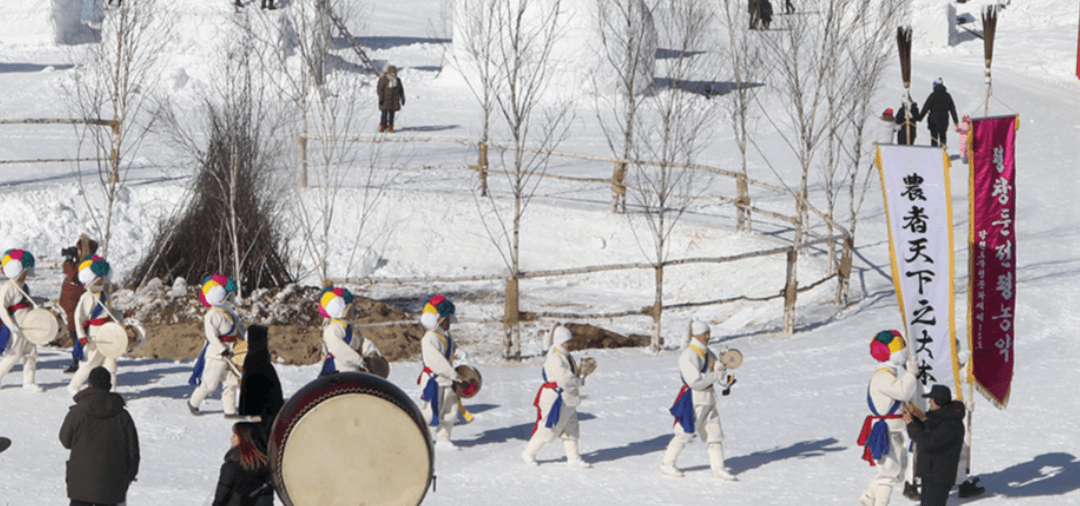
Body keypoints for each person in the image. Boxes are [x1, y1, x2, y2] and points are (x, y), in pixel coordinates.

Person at [660, 320, 737, 481]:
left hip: (709, 399)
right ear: (699, 335)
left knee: (715, 435)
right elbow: (694, 380)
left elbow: (715, 366)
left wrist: (721, 366)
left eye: (709, 333)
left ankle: (718, 468)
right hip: (695, 400)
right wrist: (716, 376)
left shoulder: (707, 352)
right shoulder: (689, 355)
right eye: (706, 333)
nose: (709, 336)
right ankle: (667, 463)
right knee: (685, 433)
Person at [59, 366, 140, 506]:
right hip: (113, 488)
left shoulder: (78, 412)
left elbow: (65, 441)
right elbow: (133, 451)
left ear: (89, 384)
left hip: (80, 486)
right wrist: (129, 476)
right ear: (109, 387)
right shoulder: (122, 415)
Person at [857, 330, 919, 506]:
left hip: (894, 429)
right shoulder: (882, 376)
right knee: (889, 473)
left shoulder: (888, 374)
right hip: (886, 430)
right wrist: (911, 375)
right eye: (899, 346)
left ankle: (868, 497)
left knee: (896, 470)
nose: (904, 351)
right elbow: (903, 391)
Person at [522, 325, 590, 468]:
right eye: (568, 341)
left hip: (569, 399)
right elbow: (564, 378)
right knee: (549, 430)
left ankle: (573, 458)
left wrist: (582, 371)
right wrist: (579, 381)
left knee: (571, 429)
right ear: (562, 342)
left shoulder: (567, 356)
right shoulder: (554, 358)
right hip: (556, 399)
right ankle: (528, 453)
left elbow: (572, 374)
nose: (570, 344)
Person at [188, 274, 246, 417]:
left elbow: (241, 329)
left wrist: (248, 340)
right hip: (217, 354)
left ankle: (230, 410)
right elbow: (211, 336)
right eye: (228, 296)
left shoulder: (231, 313)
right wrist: (222, 349)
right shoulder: (212, 315)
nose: (231, 299)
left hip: (232, 352)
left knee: (231, 382)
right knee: (210, 384)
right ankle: (193, 403)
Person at [68, 256, 123, 396]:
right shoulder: (87, 297)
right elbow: (78, 318)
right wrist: (81, 336)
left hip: (108, 332)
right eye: (99, 277)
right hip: (94, 334)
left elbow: (110, 313)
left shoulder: (104, 294)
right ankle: (74, 386)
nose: (102, 280)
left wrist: (122, 315)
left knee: (111, 364)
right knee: (90, 364)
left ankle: (112, 392)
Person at [904, 384, 965, 506]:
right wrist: (914, 418)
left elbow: (928, 442)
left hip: (939, 477)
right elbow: (928, 425)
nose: (930, 402)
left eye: (931, 399)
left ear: (937, 401)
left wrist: (911, 424)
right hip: (931, 473)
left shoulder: (950, 424)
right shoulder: (942, 416)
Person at [417, 294, 462, 449]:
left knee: (451, 410)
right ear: (438, 320)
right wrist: (453, 374)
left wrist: (460, 353)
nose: (450, 322)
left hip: (448, 379)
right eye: (447, 319)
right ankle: (414, 427)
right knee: (431, 412)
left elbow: (452, 349)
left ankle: (444, 438)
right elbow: (436, 361)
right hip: (435, 379)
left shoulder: (446, 336)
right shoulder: (429, 338)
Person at [0, 249, 43, 392]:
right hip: (16, 327)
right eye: (25, 271)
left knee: (31, 353)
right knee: (13, 355)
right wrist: (11, 326)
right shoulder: (7, 288)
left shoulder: (24, 287)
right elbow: (1, 309)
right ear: (15, 270)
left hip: (28, 325)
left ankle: (29, 381)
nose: (27, 275)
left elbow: (26, 303)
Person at [318, 287, 381, 377]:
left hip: (353, 368)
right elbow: (339, 349)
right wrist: (357, 360)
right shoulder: (333, 328)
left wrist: (370, 352)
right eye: (349, 306)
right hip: (338, 369)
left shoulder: (350, 327)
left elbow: (361, 340)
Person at [238, 325, 283, 446]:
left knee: (262, 432)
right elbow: (251, 385)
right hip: (261, 407)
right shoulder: (257, 358)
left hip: (259, 407)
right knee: (262, 434)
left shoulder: (254, 356)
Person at [211, 422, 274, 506]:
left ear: (243, 439)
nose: (231, 438)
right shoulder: (267, 466)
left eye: (235, 435)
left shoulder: (230, 467)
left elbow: (220, 499)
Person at [60, 235, 98, 374]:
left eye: (79, 249)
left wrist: (69, 262)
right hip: (71, 304)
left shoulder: (86, 265)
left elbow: (73, 275)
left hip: (76, 304)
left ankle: (79, 362)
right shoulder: (81, 263)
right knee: (74, 333)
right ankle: (79, 360)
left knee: (77, 333)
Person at [918, 77, 959, 149]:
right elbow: (952, 109)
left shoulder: (932, 95)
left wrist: (920, 117)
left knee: (934, 137)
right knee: (943, 136)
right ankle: (943, 153)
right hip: (944, 119)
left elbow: (926, 107)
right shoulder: (947, 96)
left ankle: (935, 154)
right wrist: (956, 121)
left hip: (933, 119)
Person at [377, 65, 405, 133]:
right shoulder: (384, 79)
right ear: (389, 72)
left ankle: (390, 127)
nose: (394, 74)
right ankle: (383, 126)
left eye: (395, 72)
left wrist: (402, 98)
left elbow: (401, 90)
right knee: (384, 114)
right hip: (385, 100)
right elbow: (380, 90)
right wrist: (380, 99)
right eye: (393, 72)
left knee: (392, 115)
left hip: (394, 101)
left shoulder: (397, 80)